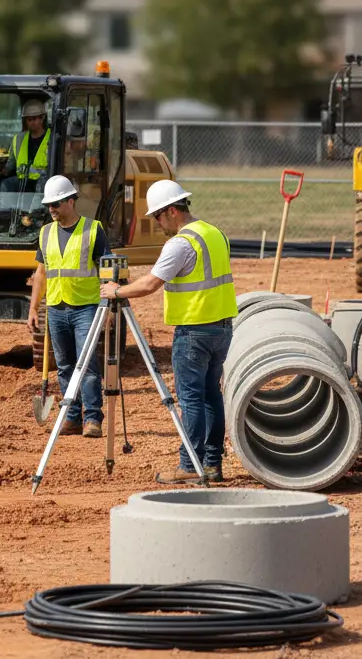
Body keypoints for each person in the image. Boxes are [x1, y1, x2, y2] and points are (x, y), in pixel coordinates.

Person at [100, 179, 237, 484]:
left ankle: (189, 465)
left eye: (158, 216)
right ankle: (212, 465)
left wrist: (116, 291)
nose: (158, 223)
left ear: (173, 211)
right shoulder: (215, 234)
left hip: (194, 331)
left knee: (190, 399)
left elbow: (150, 283)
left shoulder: (180, 243)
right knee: (211, 395)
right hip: (223, 328)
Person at [27, 175, 109, 438]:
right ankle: (72, 416)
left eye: (56, 203)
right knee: (63, 365)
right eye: (49, 204)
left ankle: (92, 418)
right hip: (56, 309)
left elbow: (108, 271)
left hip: (86, 307)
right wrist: (33, 307)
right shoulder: (45, 232)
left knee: (86, 364)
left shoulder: (93, 229)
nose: (51, 209)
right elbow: (41, 272)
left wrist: (109, 308)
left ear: (71, 201)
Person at [0, 99, 50, 193]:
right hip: (22, 181)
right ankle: (5, 208)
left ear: (42, 118)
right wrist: (2, 171)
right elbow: (11, 164)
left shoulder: (52, 139)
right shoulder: (18, 139)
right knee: (6, 184)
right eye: (29, 119)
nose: (32, 122)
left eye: (34, 119)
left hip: (44, 182)